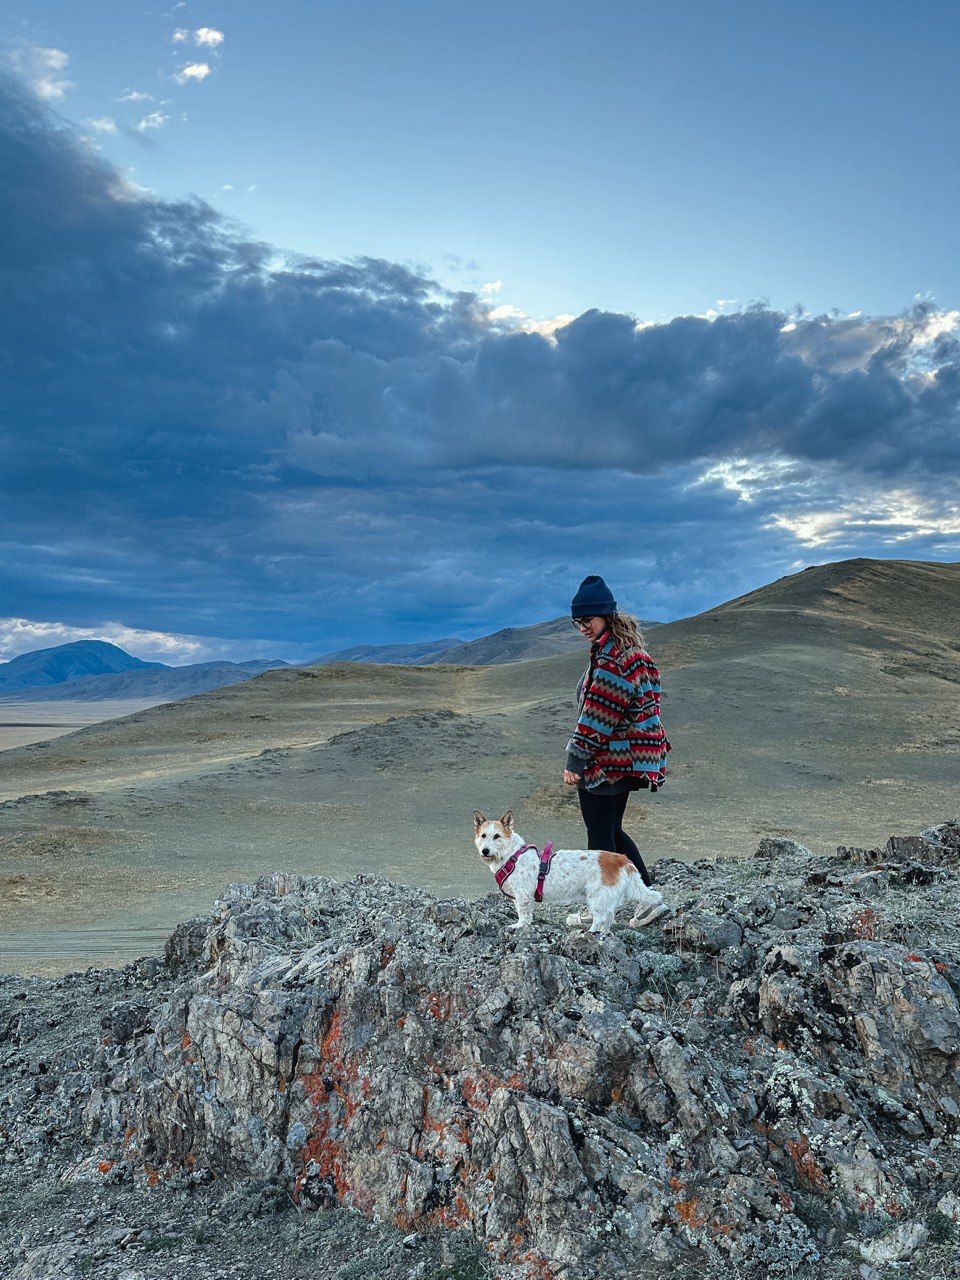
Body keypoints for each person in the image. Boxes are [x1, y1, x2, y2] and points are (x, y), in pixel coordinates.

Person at [563, 574, 670, 889]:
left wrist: (575, 760)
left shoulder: (613, 659)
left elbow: (599, 715)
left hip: (608, 760)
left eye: (588, 620)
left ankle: (607, 904)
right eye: (577, 622)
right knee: (612, 833)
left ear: (605, 615)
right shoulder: (627, 650)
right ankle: (646, 897)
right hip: (624, 757)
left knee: (600, 840)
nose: (583, 627)